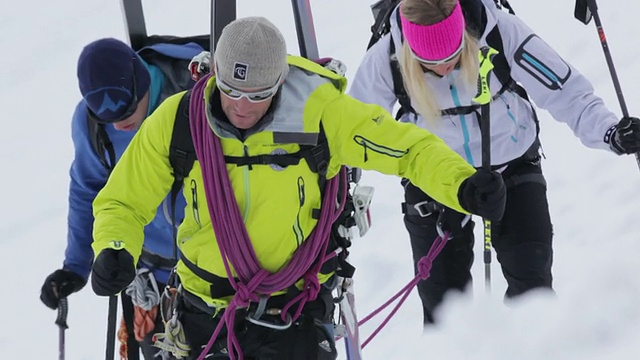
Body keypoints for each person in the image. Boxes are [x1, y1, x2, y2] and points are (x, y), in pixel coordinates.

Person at [88, 16, 507, 360]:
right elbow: (124, 199)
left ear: (280, 83)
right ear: (215, 76)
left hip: (293, 315)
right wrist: (114, 249)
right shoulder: (181, 120)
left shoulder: (320, 114)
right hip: (205, 315)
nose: (241, 107)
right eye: (231, 91)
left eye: (258, 95)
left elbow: (406, 149)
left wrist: (462, 183)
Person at [348, 0, 640, 325]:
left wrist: (610, 132)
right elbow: (355, 131)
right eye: (430, 63)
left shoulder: (499, 31)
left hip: (511, 160)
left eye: (453, 55)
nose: (445, 69)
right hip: (436, 180)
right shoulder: (386, 58)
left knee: (533, 292)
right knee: (444, 313)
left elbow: (565, 90)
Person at [40, 37, 205, 359]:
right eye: (109, 118)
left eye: (128, 110)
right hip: (150, 280)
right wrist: (76, 266)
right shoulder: (93, 126)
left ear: (142, 83)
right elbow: (89, 190)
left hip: (211, 271)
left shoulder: (194, 97)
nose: (120, 124)